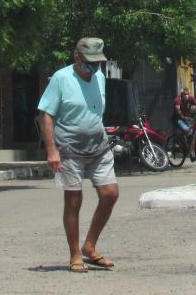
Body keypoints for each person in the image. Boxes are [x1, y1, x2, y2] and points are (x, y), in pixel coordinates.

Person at [38, 37, 118, 274]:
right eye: (89, 63)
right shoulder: (61, 78)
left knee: (110, 194)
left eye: (97, 63)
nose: (94, 67)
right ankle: (75, 253)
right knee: (74, 200)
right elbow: (46, 115)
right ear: (76, 58)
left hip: (98, 145)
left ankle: (89, 246)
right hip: (69, 147)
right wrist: (52, 150)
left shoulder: (100, 77)